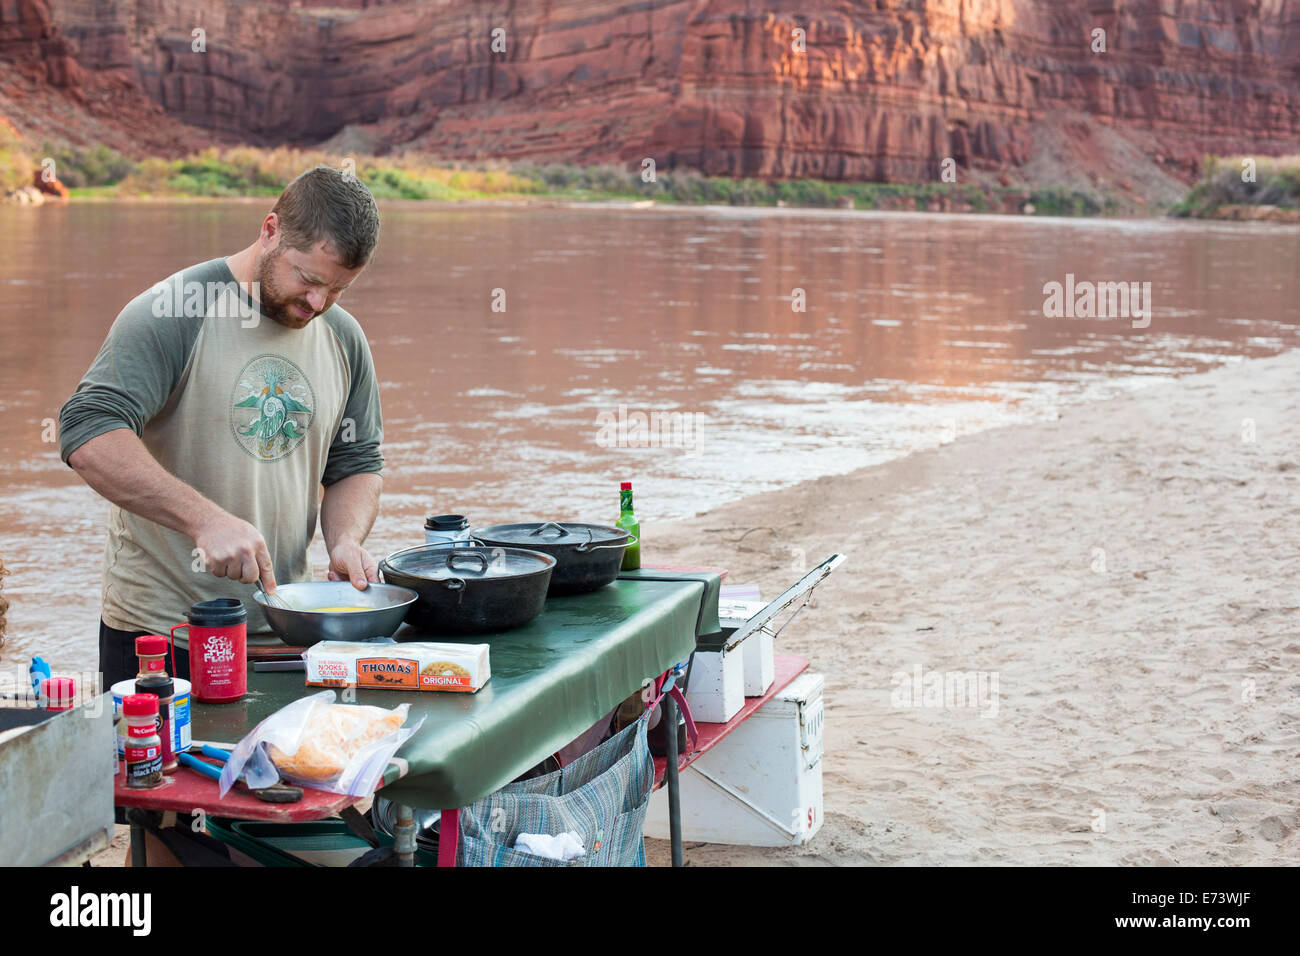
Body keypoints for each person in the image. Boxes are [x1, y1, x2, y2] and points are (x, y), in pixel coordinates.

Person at [59, 165, 385, 690]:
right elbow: (86, 430)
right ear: (270, 230)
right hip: (162, 638)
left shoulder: (342, 337)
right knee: (160, 773)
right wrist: (203, 520)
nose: (319, 303)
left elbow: (357, 463)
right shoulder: (174, 312)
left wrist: (345, 540)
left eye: (338, 290)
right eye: (308, 278)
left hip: (286, 633)